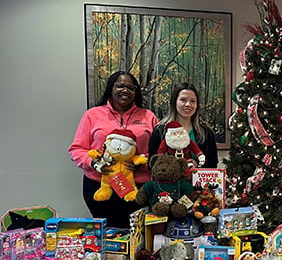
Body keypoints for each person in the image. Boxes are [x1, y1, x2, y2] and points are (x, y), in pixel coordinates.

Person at [68, 71, 158, 228]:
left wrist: (143, 163)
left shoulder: (148, 116)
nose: (125, 90)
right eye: (120, 86)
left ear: (136, 91)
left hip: (139, 187)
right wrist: (94, 163)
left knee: (137, 234)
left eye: (130, 87)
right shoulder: (92, 115)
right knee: (107, 233)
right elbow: (77, 149)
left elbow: (158, 152)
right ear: (111, 88)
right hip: (99, 184)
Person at [148, 82, 218, 168]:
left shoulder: (206, 133)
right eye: (183, 100)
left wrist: (197, 166)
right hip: (166, 181)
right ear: (174, 102)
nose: (188, 104)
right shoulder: (159, 130)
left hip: (195, 181)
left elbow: (212, 164)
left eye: (192, 101)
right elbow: (151, 163)